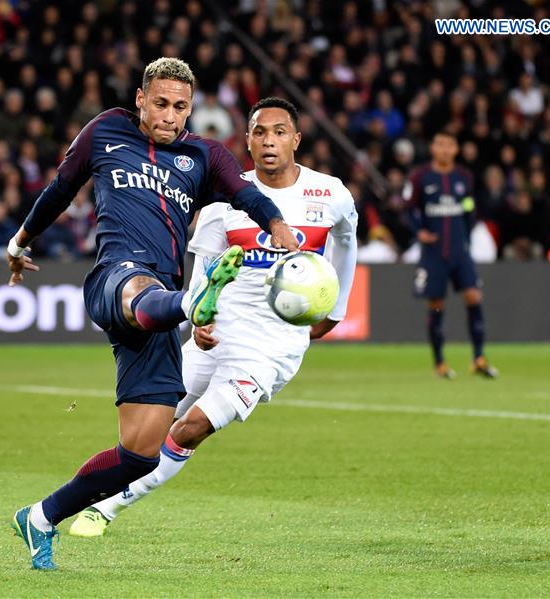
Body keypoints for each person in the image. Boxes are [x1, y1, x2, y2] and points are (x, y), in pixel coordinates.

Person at [6, 58, 299, 571]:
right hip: (115, 280)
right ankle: (193, 302)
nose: (169, 115)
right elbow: (59, 190)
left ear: (192, 108)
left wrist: (273, 220)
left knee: (139, 453)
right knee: (140, 286)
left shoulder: (204, 155)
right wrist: (19, 241)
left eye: (180, 106)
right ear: (141, 99)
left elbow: (245, 191)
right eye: (160, 103)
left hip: (155, 311)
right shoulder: (105, 131)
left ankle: (40, 517)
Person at [68, 96, 358, 537]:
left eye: (279, 132)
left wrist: (334, 311)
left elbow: (348, 242)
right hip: (216, 335)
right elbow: (203, 268)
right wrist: (198, 321)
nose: (269, 141)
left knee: (191, 428)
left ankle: (105, 509)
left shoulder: (330, 193)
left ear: (296, 139)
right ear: (247, 139)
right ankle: (72, 500)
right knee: (148, 428)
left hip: (270, 349)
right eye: (259, 132)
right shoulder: (225, 199)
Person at [405, 130, 497, 379]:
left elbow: (468, 207)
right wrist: (419, 231)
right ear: (433, 148)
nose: (445, 149)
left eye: (450, 145)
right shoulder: (420, 177)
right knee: (436, 304)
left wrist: (466, 235)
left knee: (474, 296)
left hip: (460, 251)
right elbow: (408, 208)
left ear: (456, 149)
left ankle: (478, 357)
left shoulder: (464, 177)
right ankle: (440, 363)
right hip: (434, 253)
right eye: (440, 144)